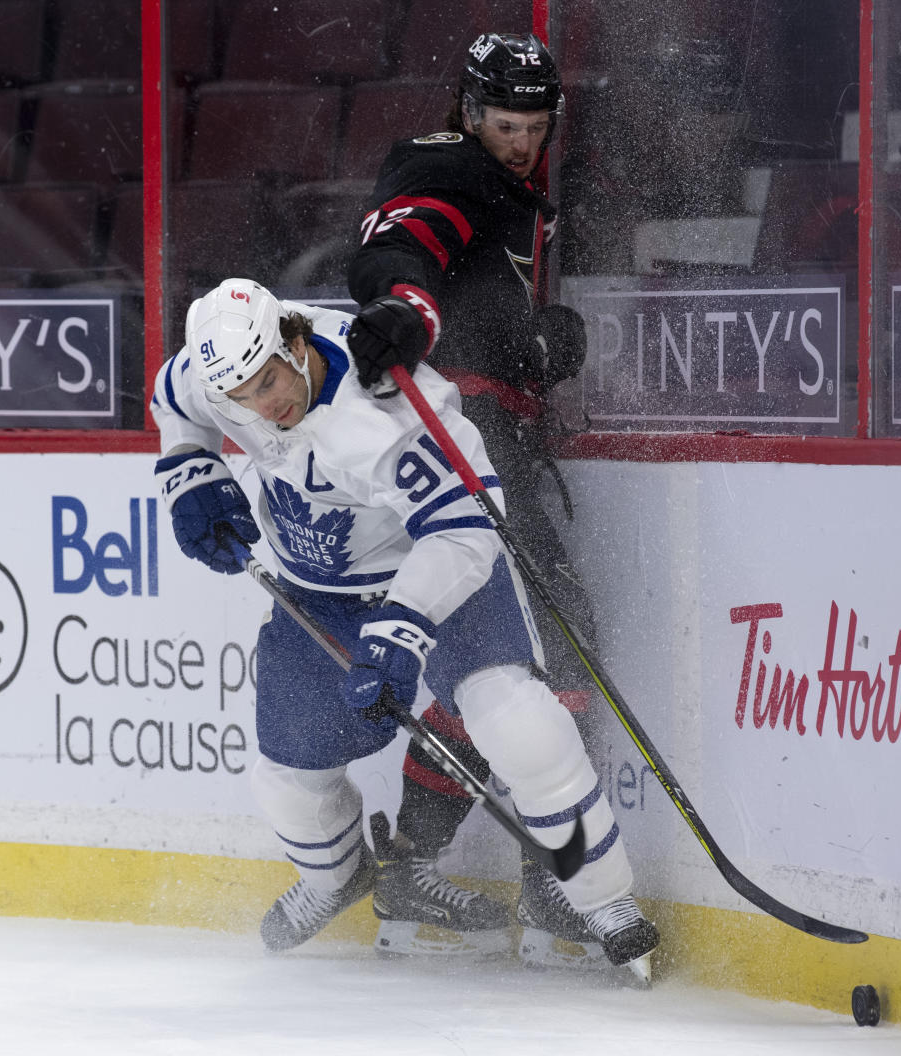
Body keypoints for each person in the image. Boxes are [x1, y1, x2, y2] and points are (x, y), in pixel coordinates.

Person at [149, 277, 659, 980]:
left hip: (441, 569)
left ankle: (605, 902)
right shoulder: (220, 377)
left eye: (271, 381)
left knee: (519, 724)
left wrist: (403, 627)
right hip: (320, 588)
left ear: (295, 342)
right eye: (245, 398)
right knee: (287, 780)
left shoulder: (382, 410)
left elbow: (465, 529)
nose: (265, 407)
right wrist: (189, 468)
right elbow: (173, 400)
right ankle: (337, 880)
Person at [345, 32, 615, 966]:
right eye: (505, 124)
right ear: (469, 111)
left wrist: (536, 346)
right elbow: (406, 240)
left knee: (492, 663)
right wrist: (399, 308)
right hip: (462, 446)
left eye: (536, 127)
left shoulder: (516, 189)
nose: (520, 143)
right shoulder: (447, 162)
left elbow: (478, 300)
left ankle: (412, 868)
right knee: (560, 639)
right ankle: (557, 886)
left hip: (486, 436)